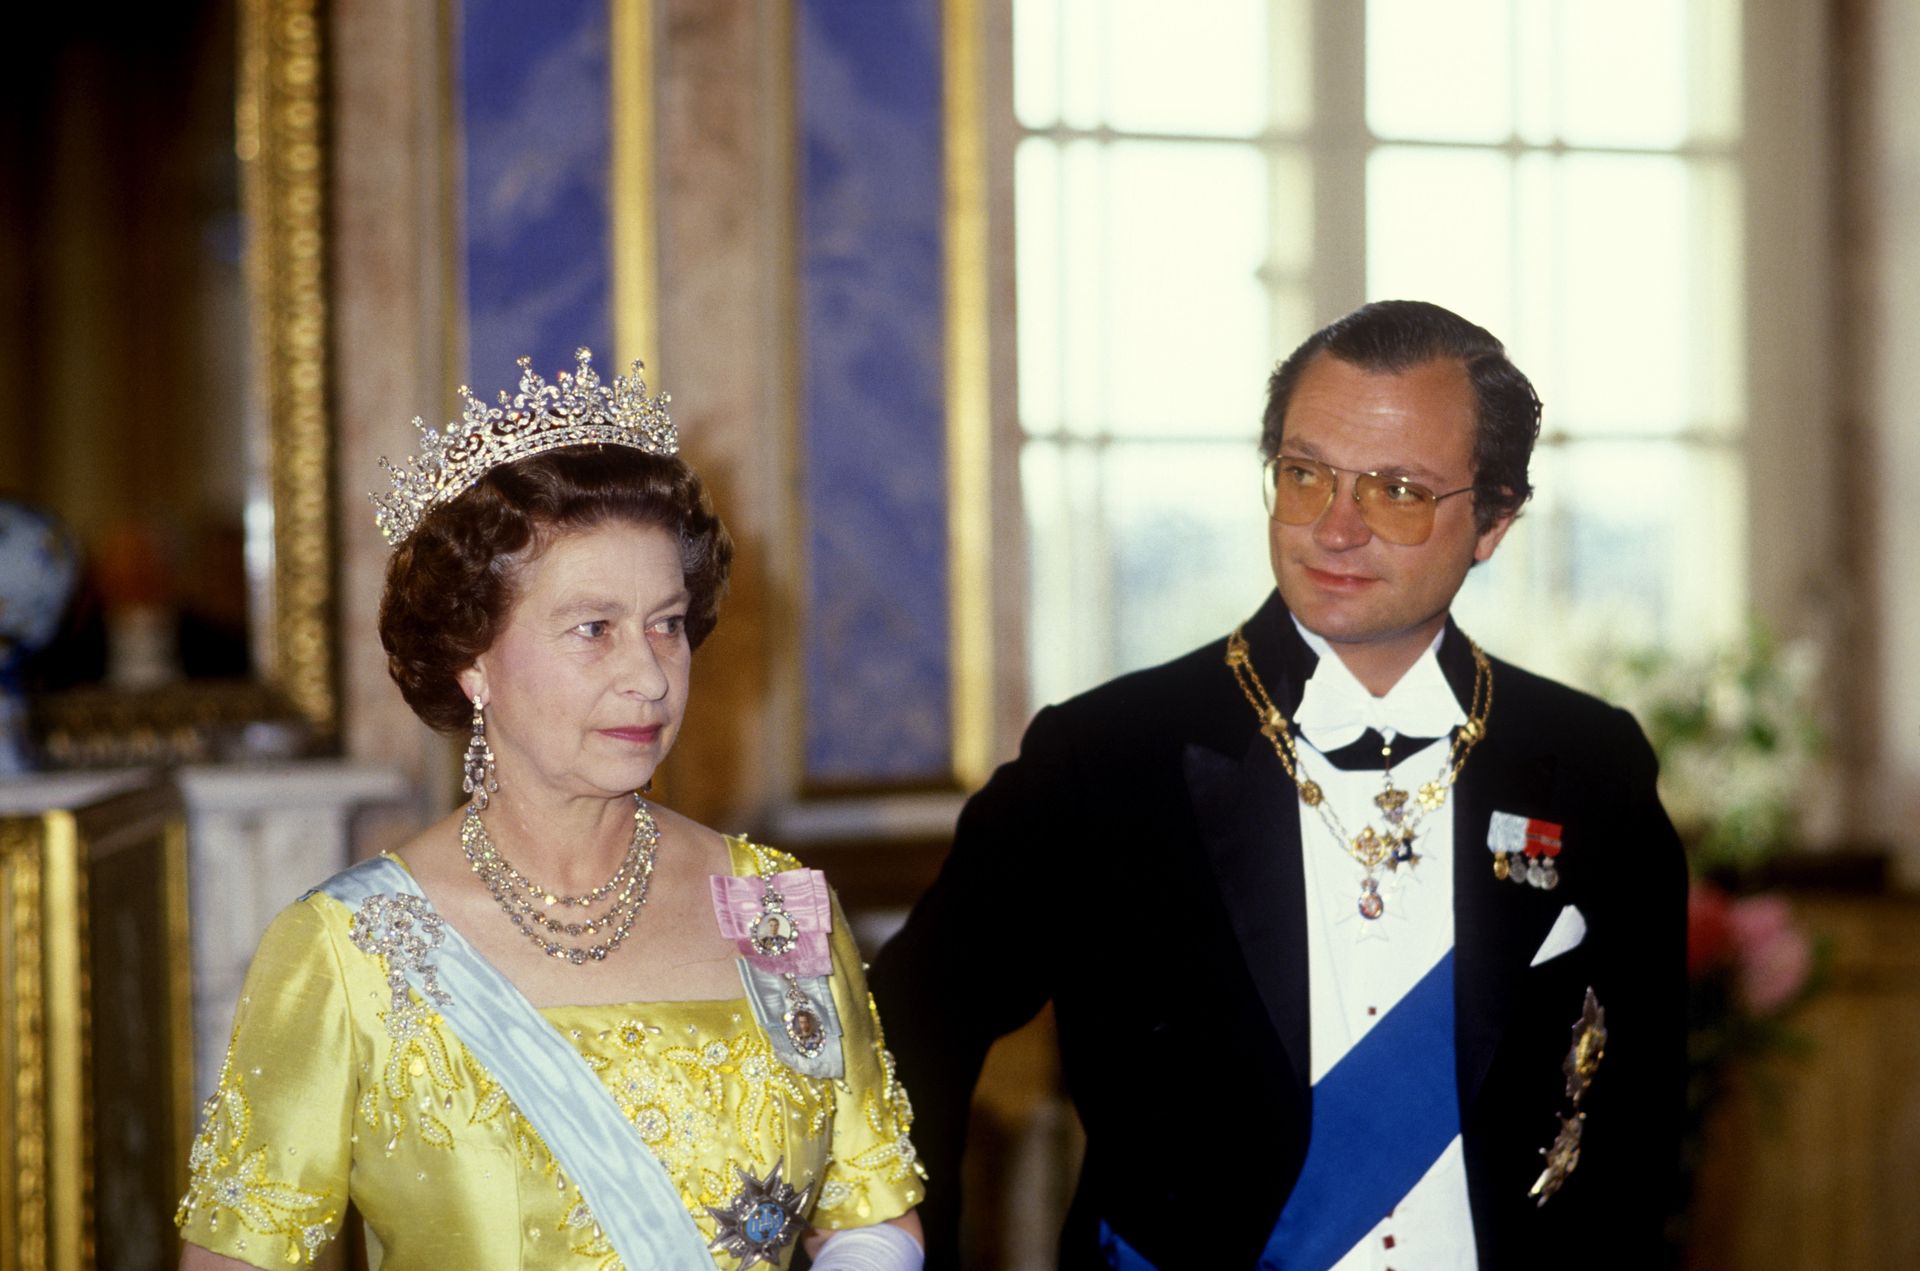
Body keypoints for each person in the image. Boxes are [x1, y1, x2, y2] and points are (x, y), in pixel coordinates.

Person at [870, 301, 1686, 1269]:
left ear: (1496, 520)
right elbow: (908, 1021)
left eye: (1396, 490)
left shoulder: (1590, 767)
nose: (1335, 529)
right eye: (1305, 475)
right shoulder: (1103, 759)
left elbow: (1640, 1127)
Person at [177, 351, 926, 1270]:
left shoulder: (777, 907)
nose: (650, 674)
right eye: (593, 628)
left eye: (668, 622)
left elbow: (869, 1204)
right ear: (473, 658)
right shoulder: (350, 946)